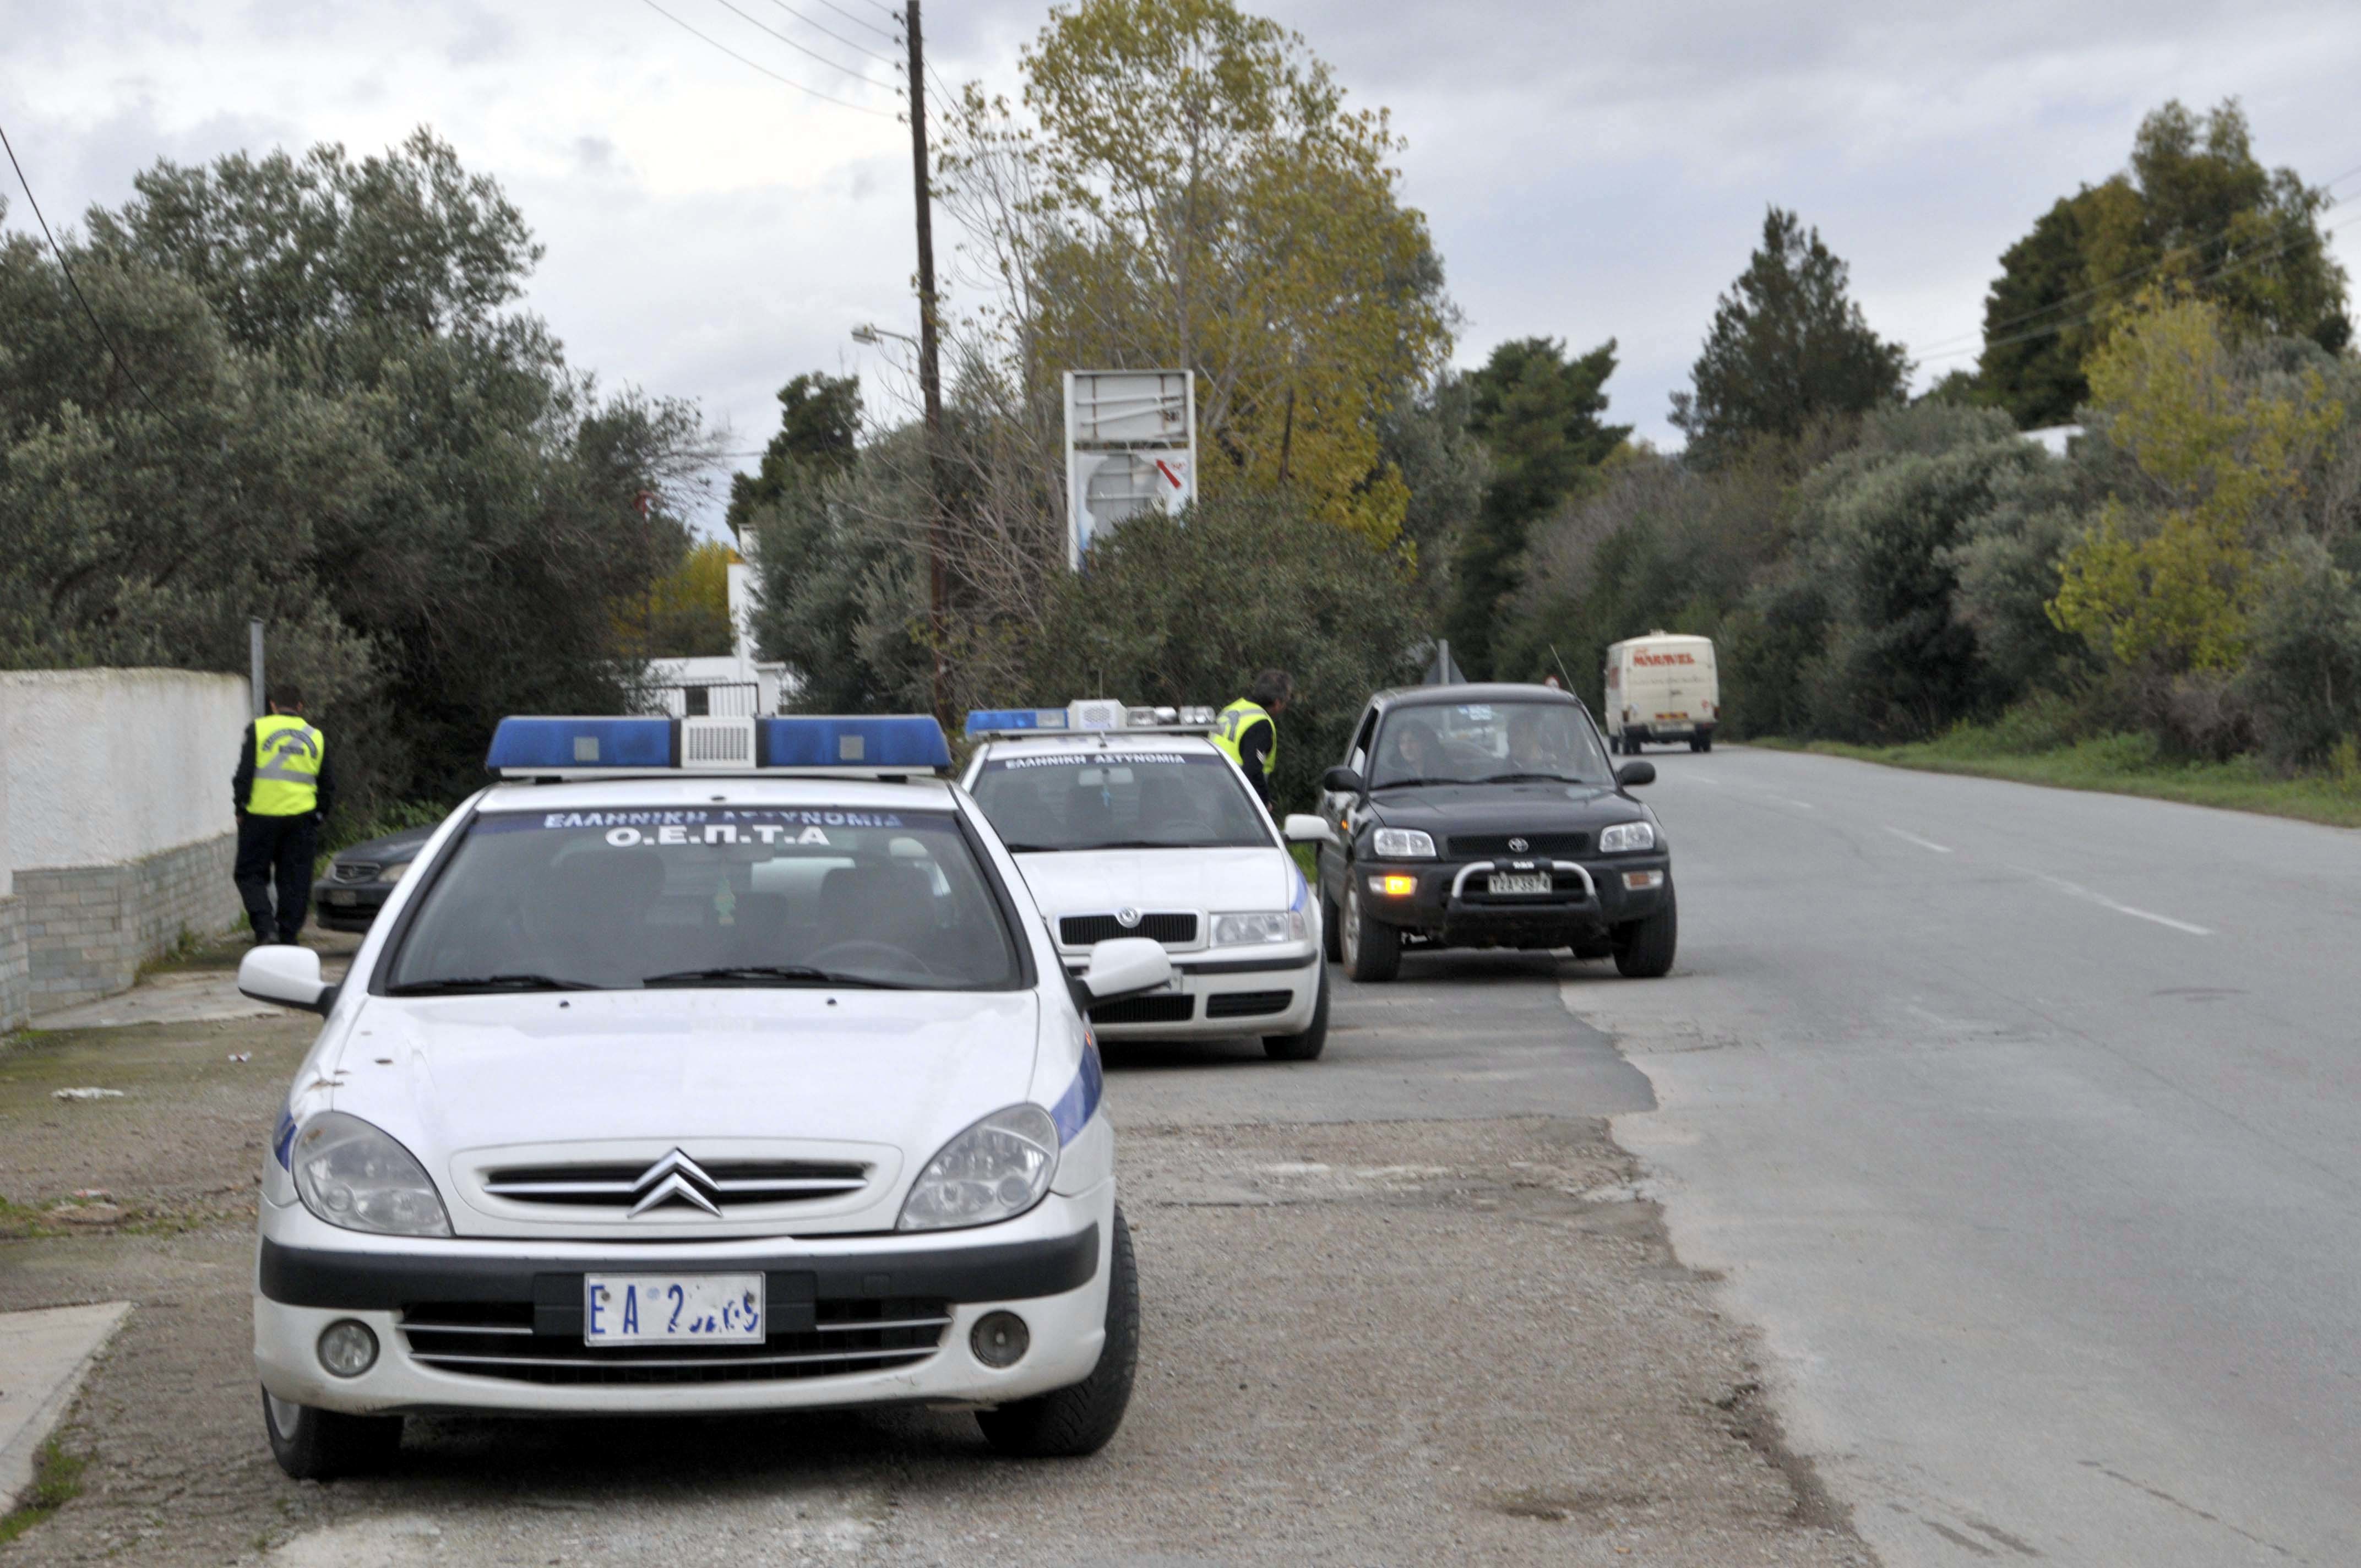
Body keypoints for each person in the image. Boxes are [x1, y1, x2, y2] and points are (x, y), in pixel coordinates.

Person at [232, 684, 335, 946]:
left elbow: (244, 774)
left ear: (273, 706)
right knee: (296, 881)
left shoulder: (258, 729)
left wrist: (240, 808)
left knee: (249, 874)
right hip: (301, 821)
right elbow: (328, 784)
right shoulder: (316, 737)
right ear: (301, 707)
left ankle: (265, 929)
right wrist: (320, 815)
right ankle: (289, 936)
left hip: (260, 817)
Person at [1210, 669, 1291, 808]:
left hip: (1209, 793)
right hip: (1234, 802)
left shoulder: (1232, 709)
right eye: (1287, 701)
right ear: (1278, 703)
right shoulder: (1260, 724)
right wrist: (1264, 802)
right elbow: (1252, 772)